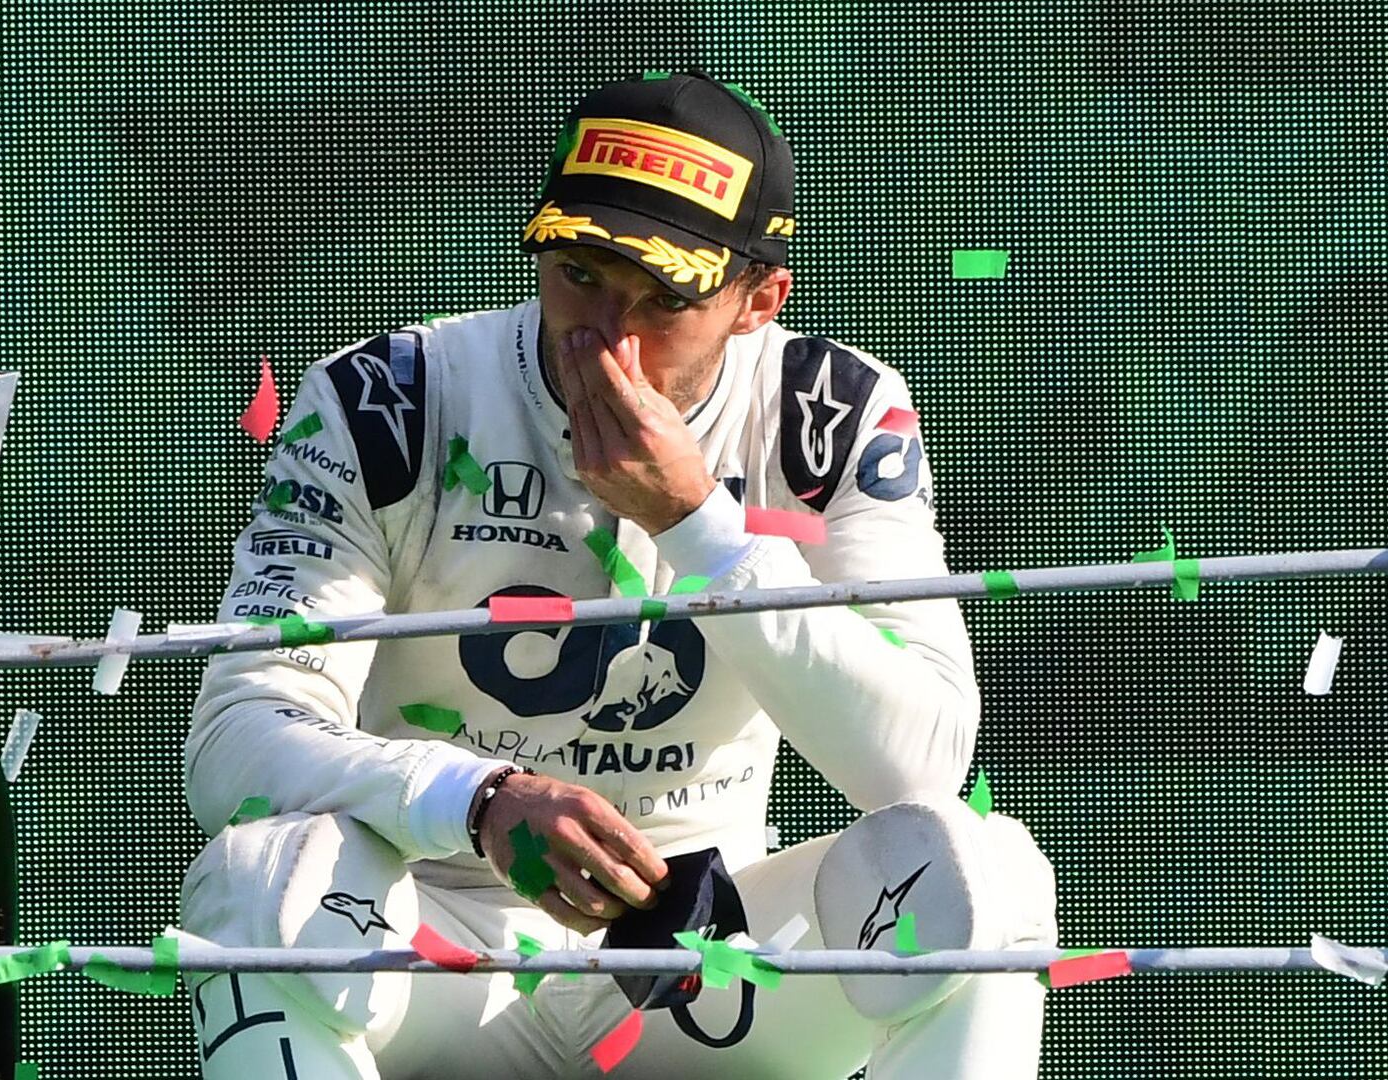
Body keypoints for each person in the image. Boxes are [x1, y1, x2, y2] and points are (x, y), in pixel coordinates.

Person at [179, 71, 1058, 1079]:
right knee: (251, 880)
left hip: (695, 950)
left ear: (758, 301)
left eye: (663, 301)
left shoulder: (831, 411)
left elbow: (917, 762)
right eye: (582, 277)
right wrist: (477, 798)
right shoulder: (390, 399)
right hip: (431, 941)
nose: (607, 339)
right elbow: (235, 741)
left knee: (981, 871)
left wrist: (698, 525)